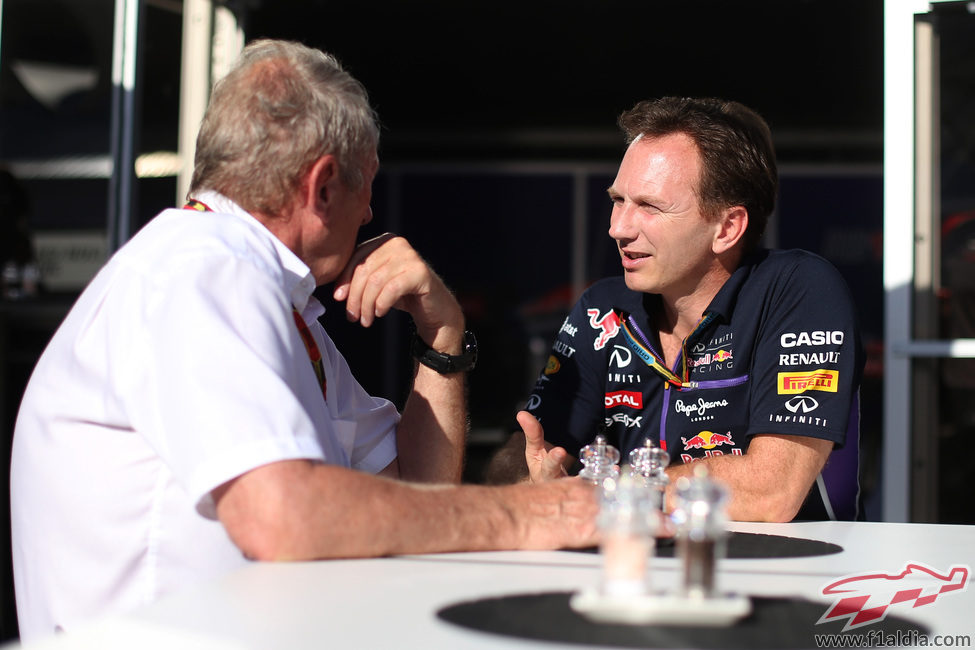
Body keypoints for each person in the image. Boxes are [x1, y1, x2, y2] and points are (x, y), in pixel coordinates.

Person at [9, 39, 598, 642]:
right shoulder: (205, 270)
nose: (369, 214)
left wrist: (441, 334)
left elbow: (416, 496)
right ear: (321, 186)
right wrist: (526, 515)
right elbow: (281, 519)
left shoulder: (261, 294)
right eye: (367, 185)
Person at [487, 97, 864, 523]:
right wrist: (531, 484)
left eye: (649, 206)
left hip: (794, 574)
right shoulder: (602, 308)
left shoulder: (798, 288)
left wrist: (605, 490)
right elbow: (529, 451)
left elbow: (769, 491)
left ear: (726, 228)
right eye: (618, 200)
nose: (618, 227)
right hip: (636, 573)